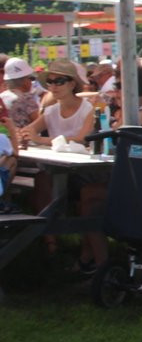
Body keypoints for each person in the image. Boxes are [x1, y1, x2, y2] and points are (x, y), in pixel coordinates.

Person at [19, 59, 103, 272]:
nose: (53, 86)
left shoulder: (88, 110)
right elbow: (28, 132)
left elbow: (83, 139)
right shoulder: (50, 111)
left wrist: (43, 140)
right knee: (42, 180)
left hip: (85, 171)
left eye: (59, 81)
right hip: (60, 169)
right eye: (50, 81)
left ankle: (77, 253)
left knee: (83, 195)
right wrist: (28, 136)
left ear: (72, 84)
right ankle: (51, 245)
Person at [2, 57, 40, 130]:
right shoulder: (26, 99)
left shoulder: (2, 97)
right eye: (30, 78)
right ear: (25, 81)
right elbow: (40, 122)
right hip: (25, 139)